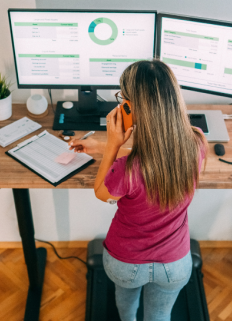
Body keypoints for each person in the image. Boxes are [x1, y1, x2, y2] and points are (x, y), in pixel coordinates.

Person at [69, 60, 208, 321]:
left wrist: (112, 144)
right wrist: (100, 147)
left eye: (122, 98)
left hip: (126, 263)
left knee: (126, 309)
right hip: (175, 263)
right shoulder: (197, 141)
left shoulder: (126, 169)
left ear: (132, 108)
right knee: (160, 317)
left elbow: (101, 192)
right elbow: (157, 157)